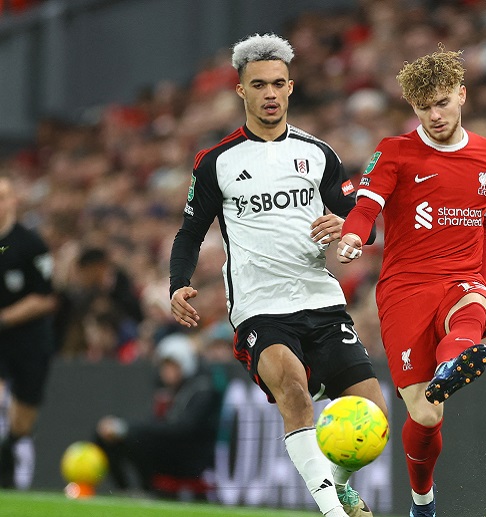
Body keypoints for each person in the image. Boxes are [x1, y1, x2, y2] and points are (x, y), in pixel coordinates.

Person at [168, 33, 388, 517]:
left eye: (279, 84)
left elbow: (362, 218)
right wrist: (178, 283)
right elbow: (189, 233)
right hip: (259, 304)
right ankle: (333, 512)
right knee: (293, 389)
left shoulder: (318, 153)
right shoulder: (216, 162)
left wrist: (346, 227)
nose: (270, 93)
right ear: (241, 91)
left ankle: (339, 485)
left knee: (373, 412)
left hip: (319, 296)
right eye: (259, 84)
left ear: (291, 89)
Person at [336, 45, 486, 517]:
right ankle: (422, 503)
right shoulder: (395, 151)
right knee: (426, 415)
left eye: (443, 102)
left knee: (472, 309)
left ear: (462, 96)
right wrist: (353, 237)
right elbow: (366, 206)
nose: (435, 115)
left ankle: (458, 359)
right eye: (424, 106)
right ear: (413, 107)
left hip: (462, 280)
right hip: (405, 290)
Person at [94, 333, 223, 498]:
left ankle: (147, 490)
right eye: (164, 366)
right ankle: (124, 490)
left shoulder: (202, 390)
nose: (167, 372)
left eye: (173, 365)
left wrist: (127, 428)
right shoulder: (166, 392)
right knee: (107, 436)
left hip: (189, 457)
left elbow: (183, 429)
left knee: (133, 435)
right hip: (167, 449)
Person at [0, 175, 58, 488]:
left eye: (2, 196)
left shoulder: (30, 245)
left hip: (28, 340)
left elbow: (45, 298)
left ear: (12, 202)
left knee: (22, 420)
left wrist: (4, 318)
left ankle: (9, 456)